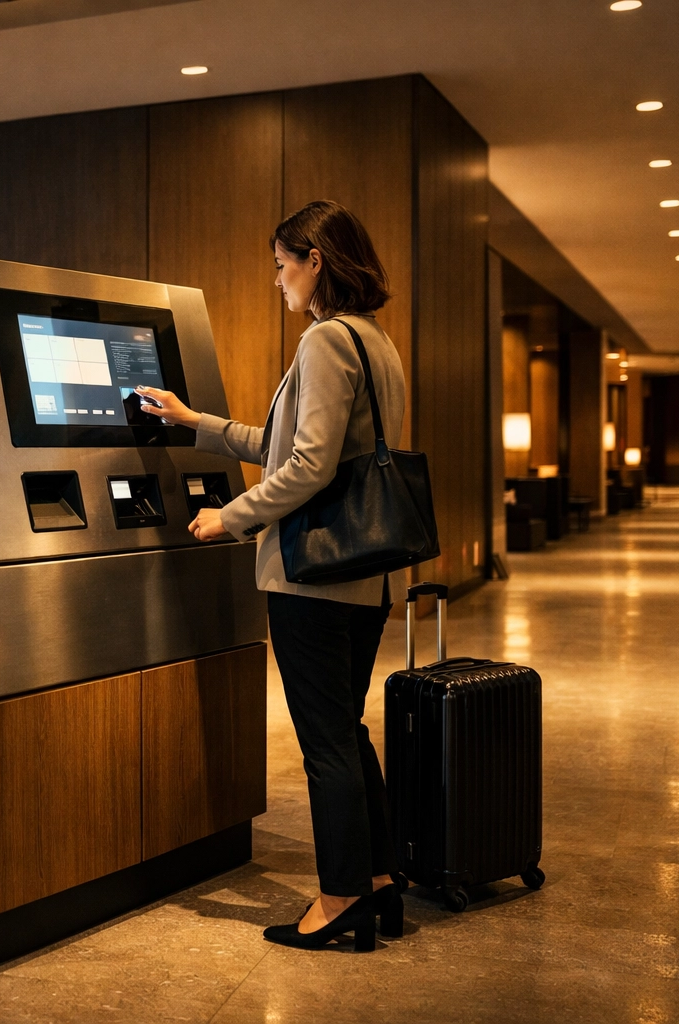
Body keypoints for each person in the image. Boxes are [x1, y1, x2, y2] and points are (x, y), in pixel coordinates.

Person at [137, 200, 407, 952]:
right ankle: (379, 882)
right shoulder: (376, 342)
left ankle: (340, 899)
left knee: (324, 741)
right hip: (365, 575)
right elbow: (294, 445)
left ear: (316, 261)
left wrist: (234, 516)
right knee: (345, 730)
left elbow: (308, 466)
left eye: (283, 265)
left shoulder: (325, 340)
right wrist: (195, 421)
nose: (277, 280)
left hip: (313, 577)